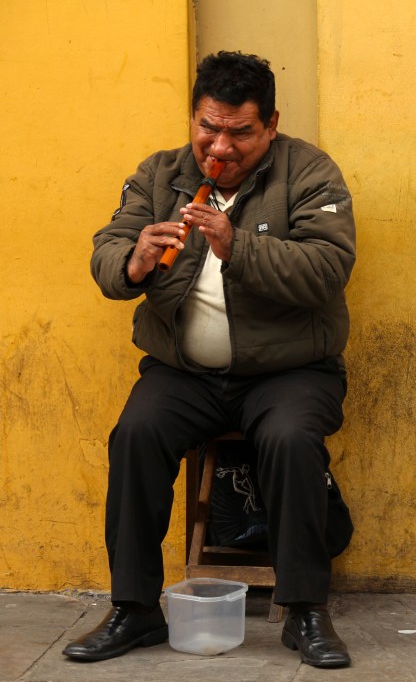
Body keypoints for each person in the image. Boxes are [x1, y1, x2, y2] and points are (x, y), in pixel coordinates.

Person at [62, 51, 355, 669]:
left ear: (270, 124)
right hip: (184, 373)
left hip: (290, 371)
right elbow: (109, 248)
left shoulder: (310, 174)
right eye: (208, 128)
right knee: (135, 434)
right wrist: (133, 261)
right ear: (194, 118)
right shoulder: (159, 174)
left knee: (291, 438)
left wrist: (235, 244)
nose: (219, 146)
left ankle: (305, 612)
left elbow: (328, 270)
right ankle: (134, 609)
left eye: (240, 132)